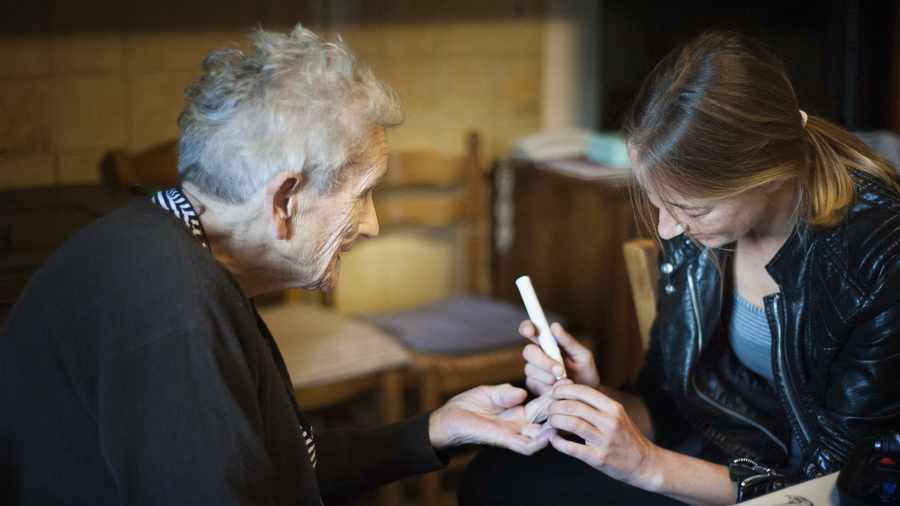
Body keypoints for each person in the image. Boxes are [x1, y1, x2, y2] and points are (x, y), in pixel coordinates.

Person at [0, 25, 554, 505]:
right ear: (284, 201)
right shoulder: (173, 308)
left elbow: (278, 465)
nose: (372, 224)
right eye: (362, 195)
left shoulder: (169, 247)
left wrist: (437, 429)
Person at [458, 30, 900, 505]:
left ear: (772, 177)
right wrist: (596, 400)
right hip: (718, 448)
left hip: (794, 486)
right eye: (656, 202)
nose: (668, 230)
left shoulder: (877, 258)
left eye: (690, 210)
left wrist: (645, 464)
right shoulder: (702, 223)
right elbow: (668, 394)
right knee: (494, 480)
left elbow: (833, 484)